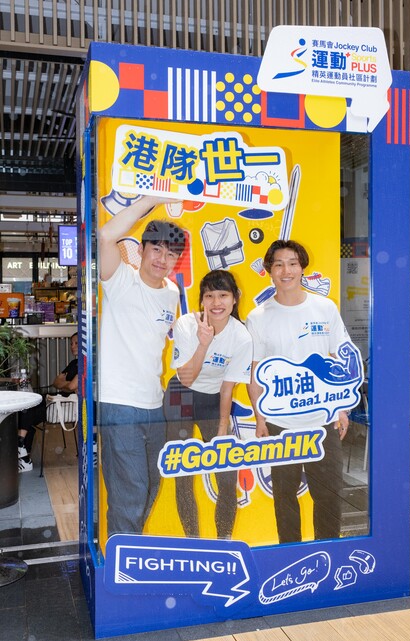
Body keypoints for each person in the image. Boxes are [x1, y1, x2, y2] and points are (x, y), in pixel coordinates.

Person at [246, 240, 350, 544]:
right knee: (284, 497)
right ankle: (289, 555)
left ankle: (329, 553)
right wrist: (260, 417)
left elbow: (337, 359)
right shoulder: (259, 317)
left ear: (302, 267)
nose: (286, 270)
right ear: (269, 271)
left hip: (323, 420)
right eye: (278, 264)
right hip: (280, 422)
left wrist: (340, 406)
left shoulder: (324, 307)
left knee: (329, 495)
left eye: (292, 263)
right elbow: (255, 374)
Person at [99, 195, 186, 537]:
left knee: (148, 488)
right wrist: (153, 200)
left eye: (171, 254)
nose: (163, 259)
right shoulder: (121, 281)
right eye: (157, 250)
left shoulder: (170, 293)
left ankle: (125, 554)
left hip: (154, 405)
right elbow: (106, 237)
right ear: (143, 250)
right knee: (129, 496)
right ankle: (122, 577)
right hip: (120, 404)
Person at [164, 270, 253, 539]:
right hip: (181, 396)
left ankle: (224, 538)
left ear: (235, 298)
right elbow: (186, 378)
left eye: (223, 295)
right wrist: (204, 343)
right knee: (184, 471)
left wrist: (223, 427)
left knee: (226, 472)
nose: (216, 302)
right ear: (201, 300)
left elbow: (228, 386)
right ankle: (192, 537)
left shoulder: (241, 337)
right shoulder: (186, 325)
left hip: (214, 399)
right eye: (210, 295)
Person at [18, 332, 78, 472]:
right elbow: (56, 382)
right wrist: (65, 384)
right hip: (56, 399)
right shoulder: (74, 363)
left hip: (63, 405)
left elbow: (70, 386)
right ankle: (22, 454)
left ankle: (21, 450)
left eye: (76, 343)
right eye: (71, 343)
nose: (72, 346)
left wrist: (65, 383)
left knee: (27, 409)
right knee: (27, 408)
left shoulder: (85, 364)